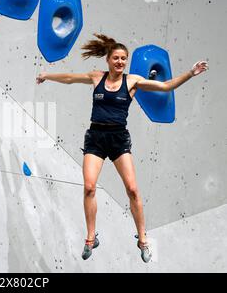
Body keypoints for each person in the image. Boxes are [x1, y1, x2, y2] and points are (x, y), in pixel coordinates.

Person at [36, 33, 209, 263]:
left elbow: (166, 86)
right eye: (116, 58)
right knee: (89, 187)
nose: (120, 62)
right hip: (96, 137)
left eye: (123, 59)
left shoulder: (133, 81)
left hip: (118, 139)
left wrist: (190, 73)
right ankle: (90, 237)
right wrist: (48, 75)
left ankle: (143, 238)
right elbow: (69, 78)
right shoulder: (97, 77)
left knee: (133, 190)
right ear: (108, 59)